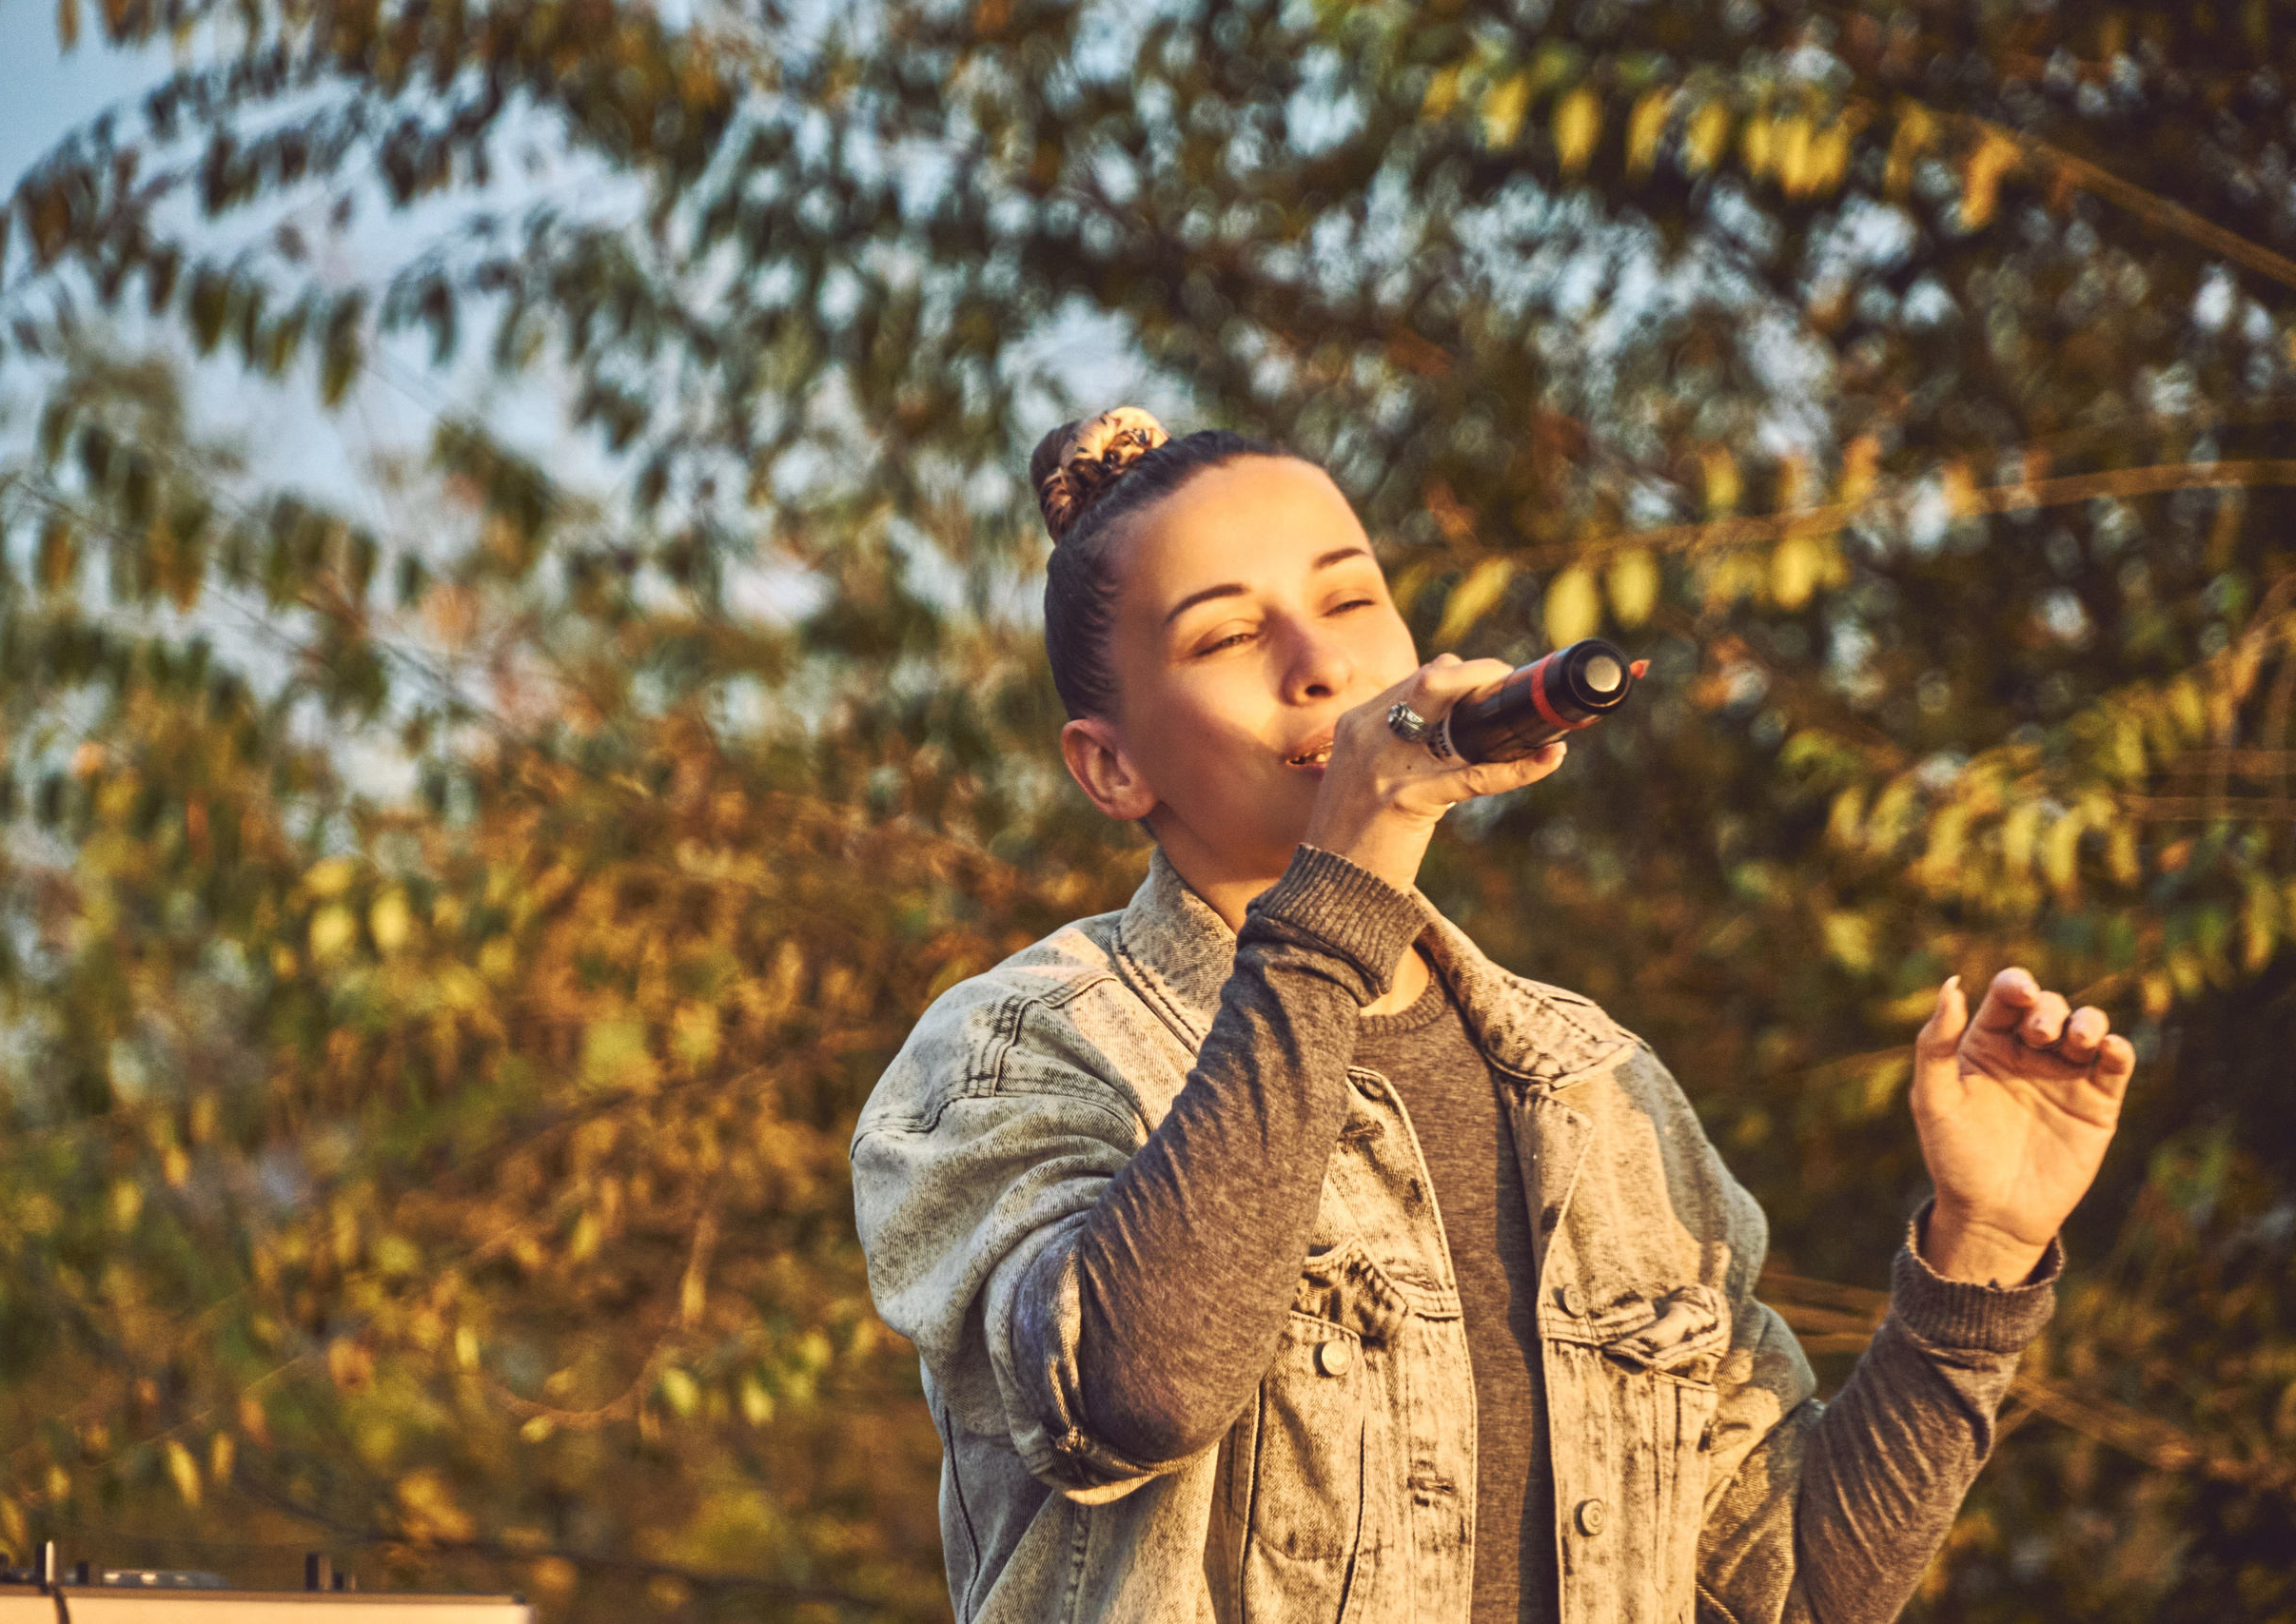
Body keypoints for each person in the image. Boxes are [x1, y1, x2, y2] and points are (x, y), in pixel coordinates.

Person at [849, 407, 2136, 1624]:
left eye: (1351, 599)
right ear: (1110, 765)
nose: (1320, 664)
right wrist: (1344, 884)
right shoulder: (1018, 1051)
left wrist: (1981, 1247)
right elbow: (1136, 1392)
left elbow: (1789, 1588)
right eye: (1229, 637)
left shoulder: (1600, 1087)